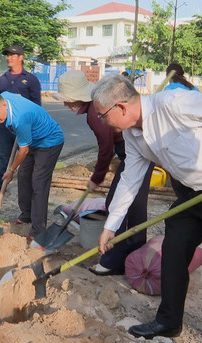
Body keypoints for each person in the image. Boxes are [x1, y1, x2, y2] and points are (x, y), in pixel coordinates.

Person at [93, 74, 202, 339]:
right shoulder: (133, 134)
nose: (102, 123)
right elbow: (130, 179)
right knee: (174, 247)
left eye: (102, 116)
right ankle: (168, 322)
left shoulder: (174, 103)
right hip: (190, 194)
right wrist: (111, 226)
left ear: (120, 107)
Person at [52, 70, 154, 275]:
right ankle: (133, 255)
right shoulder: (94, 109)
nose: (65, 105)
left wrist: (96, 178)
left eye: (67, 100)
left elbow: (105, 149)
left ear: (77, 97)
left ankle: (113, 261)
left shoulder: (95, 113)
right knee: (134, 207)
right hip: (137, 152)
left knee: (117, 204)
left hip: (135, 154)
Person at [0, 91, 64, 239]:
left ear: (4, 105)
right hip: (32, 139)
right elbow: (17, 94)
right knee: (24, 175)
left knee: (38, 182)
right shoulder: (3, 96)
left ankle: (38, 230)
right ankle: (27, 215)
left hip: (49, 141)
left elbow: (24, 150)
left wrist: (11, 170)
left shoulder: (20, 119)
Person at [0, 45, 41, 195]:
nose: (9, 58)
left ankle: (28, 185)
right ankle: (0, 183)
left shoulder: (30, 80)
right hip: (5, 126)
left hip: (24, 127)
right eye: (8, 55)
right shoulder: (2, 80)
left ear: (21, 57)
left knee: (26, 156)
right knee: (3, 155)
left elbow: (37, 106)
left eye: (13, 55)